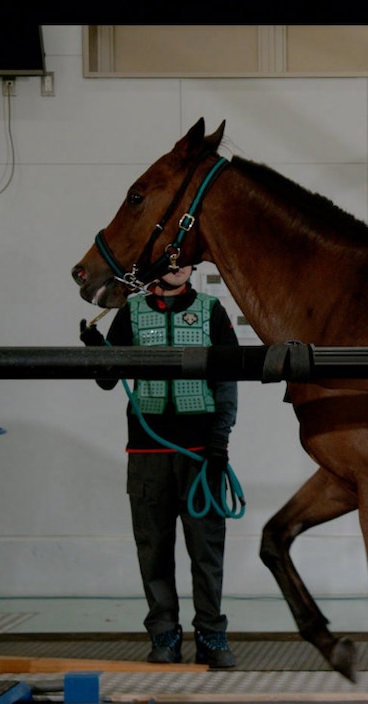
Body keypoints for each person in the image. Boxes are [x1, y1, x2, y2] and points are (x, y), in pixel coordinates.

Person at [80, 264, 239, 668]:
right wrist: (97, 352)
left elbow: (227, 381)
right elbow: (107, 381)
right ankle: (164, 633)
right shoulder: (131, 312)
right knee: (153, 549)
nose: (177, 266)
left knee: (207, 549)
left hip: (201, 453)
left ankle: (212, 635)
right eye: (170, 259)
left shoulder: (211, 310)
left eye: (184, 259)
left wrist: (219, 445)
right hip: (147, 453)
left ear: (193, 266)